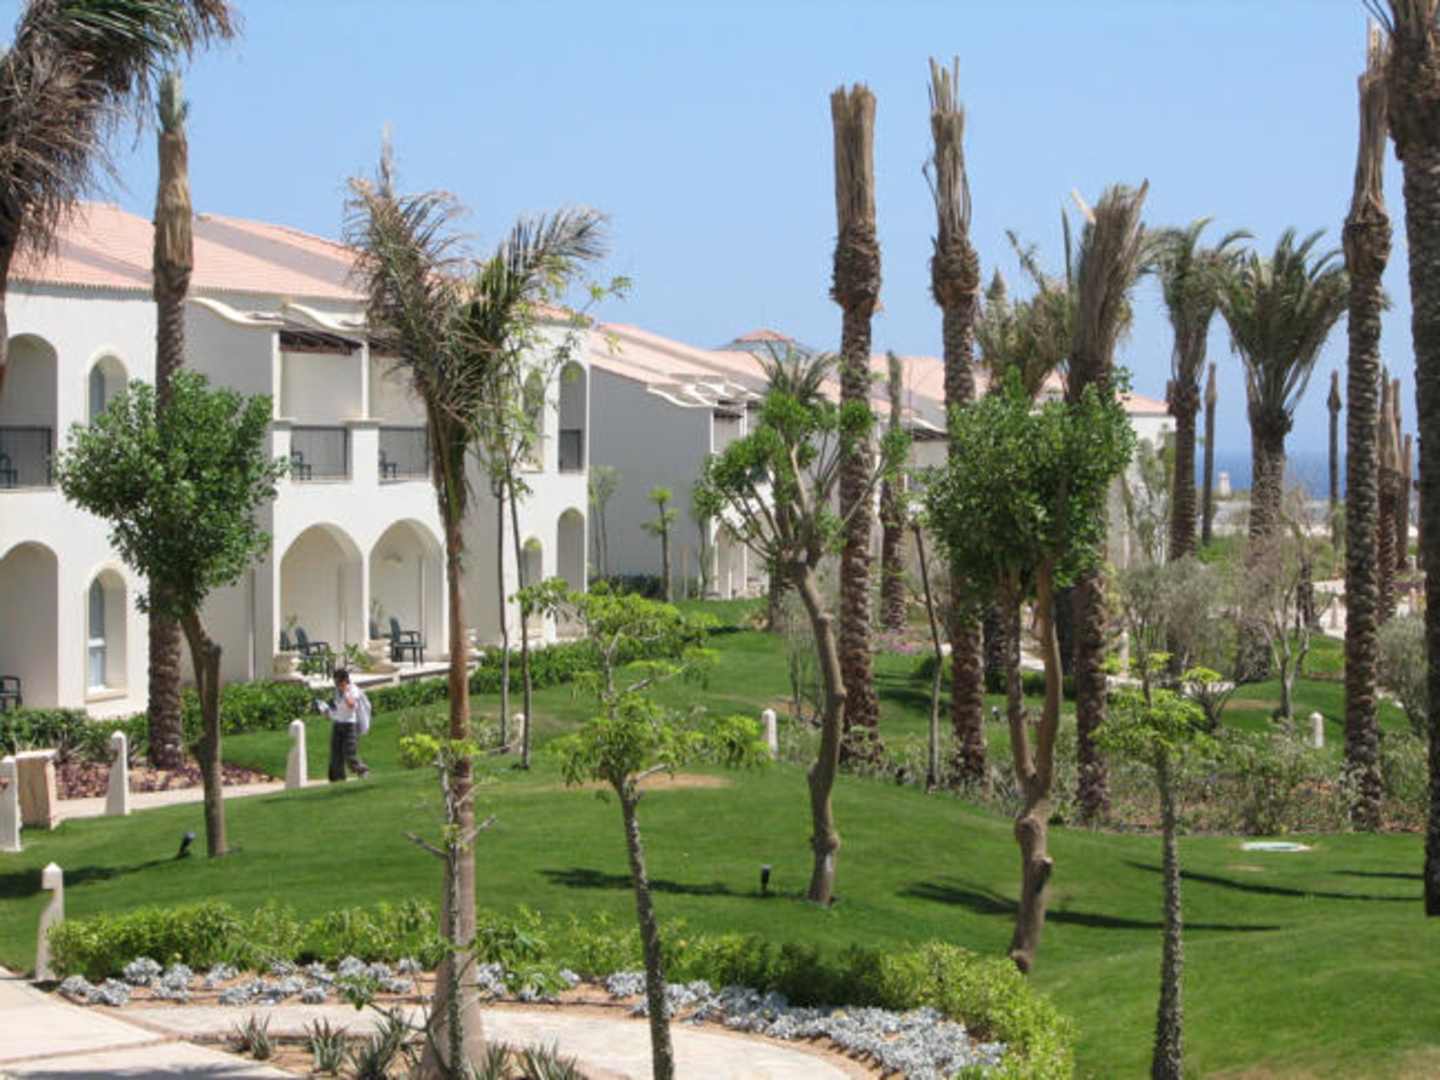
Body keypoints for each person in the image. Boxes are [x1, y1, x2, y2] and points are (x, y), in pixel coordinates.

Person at [316, 668, 370, 782]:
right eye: (335, 682)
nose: (336, 685)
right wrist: (326, 711)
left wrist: (345, 691)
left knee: (349, 754)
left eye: (338, 682)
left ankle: (362, 770)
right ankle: (338, 778)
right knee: (335, 754)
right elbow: (336, 708)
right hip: (337, 723)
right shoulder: (336, 691)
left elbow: (351, 704)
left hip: (349, 725)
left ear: (345, 680)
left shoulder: (353, 689)